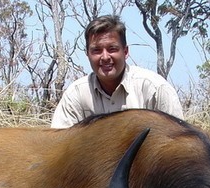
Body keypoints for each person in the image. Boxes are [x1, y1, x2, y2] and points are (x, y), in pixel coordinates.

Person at [51, 15, 184, 128]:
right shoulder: (75, 94)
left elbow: (178, 147)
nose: (105, 57)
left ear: (125, 52)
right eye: (96, 50)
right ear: (88, 54)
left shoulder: (155, 89)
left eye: (112, 49)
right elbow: (58, 146)